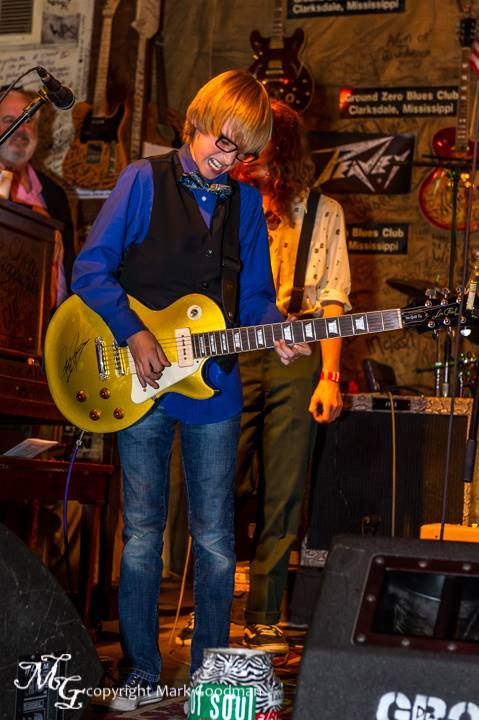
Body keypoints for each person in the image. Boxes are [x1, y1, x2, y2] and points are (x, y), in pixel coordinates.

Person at [70, 70, 308, 712]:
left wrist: (278, 330)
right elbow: (90, 269)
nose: (228, 160)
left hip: (214, 385)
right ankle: (140, 673)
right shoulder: (141, 181)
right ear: (196, 121)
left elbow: (254, 297)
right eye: (223, 143)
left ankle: (208, 675)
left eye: (242, 153)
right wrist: (133, 332)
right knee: (144, 532)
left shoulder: (245, 204)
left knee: (217, 541)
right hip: (141, 379)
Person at [232, 99, 351, 654]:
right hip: (231, 350)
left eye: (259, 138)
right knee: (216, 478)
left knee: (282, 490)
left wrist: (330, 374)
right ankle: (208, 605)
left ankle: (263, 616)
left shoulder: (324, 211)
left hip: (296, 353)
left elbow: (334, 299)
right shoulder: (230, 201)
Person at [0, 88, 75, 303]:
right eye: (10, 120)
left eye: (29, 120)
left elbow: (68, 267)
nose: (21, 129)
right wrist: (39, 223)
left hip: (53, 318)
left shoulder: (55, 194)